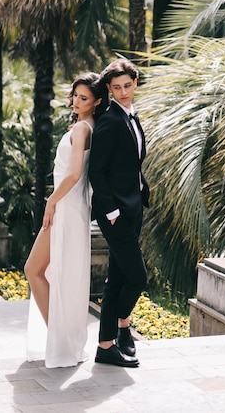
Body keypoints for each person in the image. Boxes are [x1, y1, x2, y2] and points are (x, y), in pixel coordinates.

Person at [24, 72, 108, 368]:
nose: (76, 102)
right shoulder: (87, 125)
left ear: (97, 101)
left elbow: (73, 174)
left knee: (34, 269)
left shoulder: (83, 128)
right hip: (72, 206)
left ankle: (62, 342)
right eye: (75, 96)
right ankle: (62, 341)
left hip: (66, 205)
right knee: (50, 272)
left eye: (84, 98)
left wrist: (51, 201)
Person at [88, 58, 149, 368]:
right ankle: (121, 325)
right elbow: (96, 172)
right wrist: (111, 212)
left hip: (133, 206)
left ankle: (106, 345)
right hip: (116, 213)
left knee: (118, 279)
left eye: (127, 86)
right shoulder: (111, 121)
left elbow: (131, 163)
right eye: (116, 88)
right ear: (109, 91)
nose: (123, 92)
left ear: (135, 84)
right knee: (138, 277)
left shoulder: (130, 116)